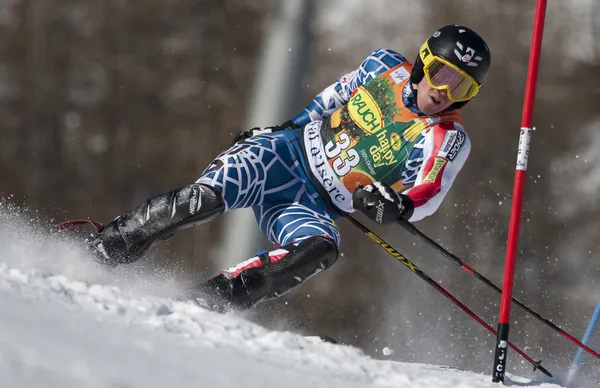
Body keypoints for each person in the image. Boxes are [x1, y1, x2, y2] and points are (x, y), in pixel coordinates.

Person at [80, 24, 491, 312]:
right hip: (279, 157)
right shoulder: (382, 66)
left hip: (314, 206)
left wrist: (398, 206)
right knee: (203, 199)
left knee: (321, 250)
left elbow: (430, 191)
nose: (444, 93)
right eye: (440, 74)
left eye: (462, 87)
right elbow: (333, 97)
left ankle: (203, 304)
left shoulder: (446, 137)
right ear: (423, 62)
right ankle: (101, 250)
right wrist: (283, 129)